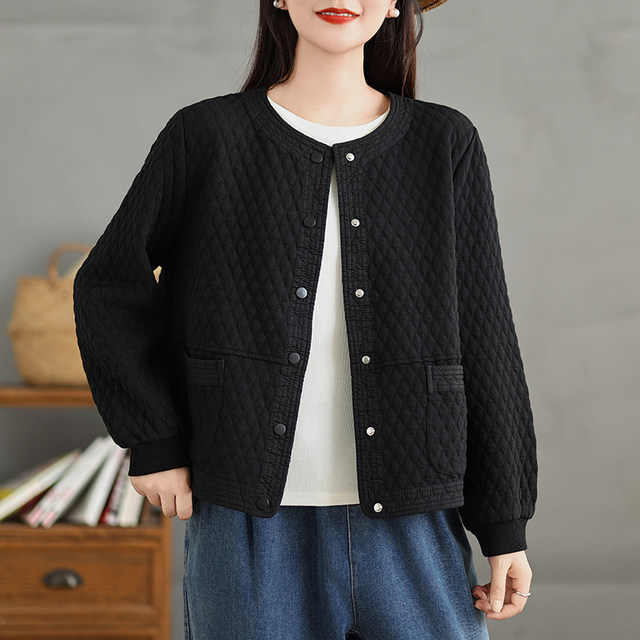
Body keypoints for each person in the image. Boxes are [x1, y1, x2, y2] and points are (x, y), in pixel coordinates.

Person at [73, 1, 538, 638]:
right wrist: (154, 440)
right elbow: (108, 286)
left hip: (415, 515)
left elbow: (485, 334)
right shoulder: (207, 135)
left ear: (396, 3)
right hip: (245, 516)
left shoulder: (444, 142)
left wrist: (504, 523)